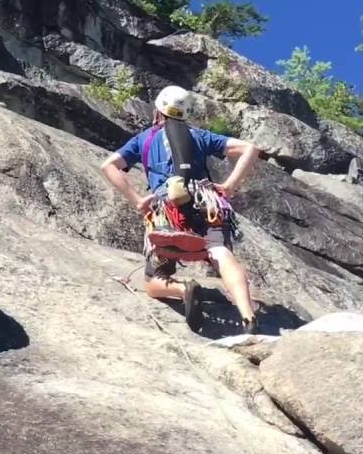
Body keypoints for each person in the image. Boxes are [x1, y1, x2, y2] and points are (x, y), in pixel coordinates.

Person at [100, 85, 263, 333]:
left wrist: (136, 199)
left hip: (165, 208)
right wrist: (229, 186)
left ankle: (181, 289)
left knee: (153, 281)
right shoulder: (200, 136)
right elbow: (250, 149)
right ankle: (248, 316)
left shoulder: (144, 139)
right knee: (220, 252)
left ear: (158, 111)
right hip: (205, 202)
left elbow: (109, 166)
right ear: (184, 113)